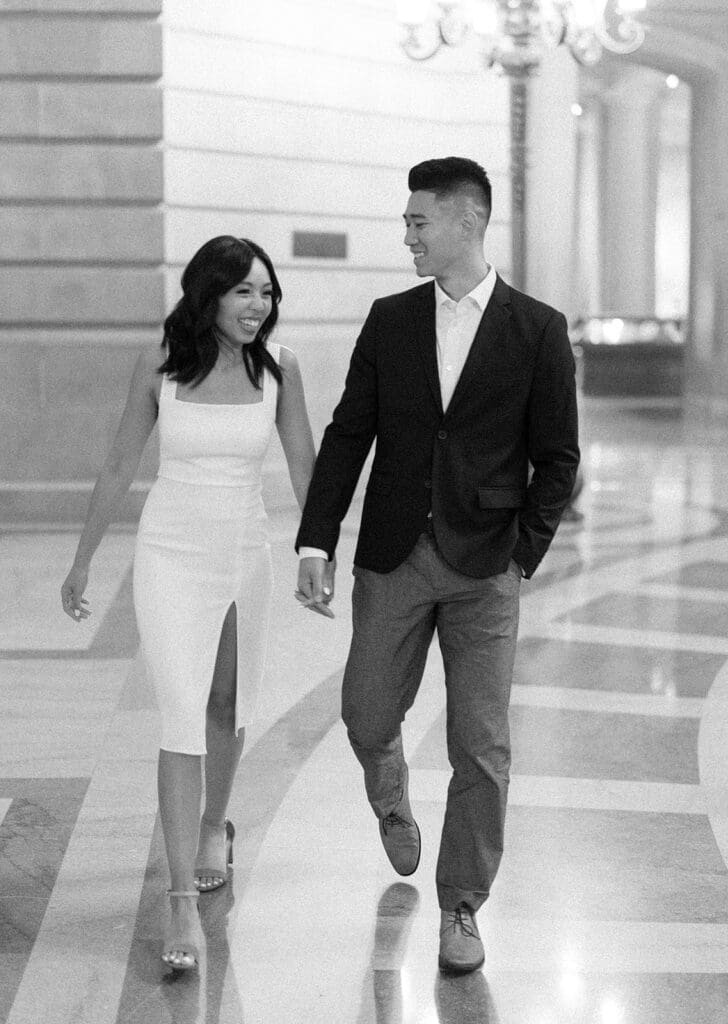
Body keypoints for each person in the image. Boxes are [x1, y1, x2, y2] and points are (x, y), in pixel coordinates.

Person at [295, 158, 579, 973]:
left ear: (466, 222)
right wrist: (316, 540)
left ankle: (462, 905)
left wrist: (522, 554)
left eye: (418, 222)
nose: (408, 237)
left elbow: (558, 457)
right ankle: (391, 799)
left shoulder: (537, 328)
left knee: (481, 744)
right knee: (365, 714)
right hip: (395, 553)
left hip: (486, 562)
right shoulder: (389, 320)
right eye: (408, 223)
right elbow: (349, 433)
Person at [61, 236, 327, 972]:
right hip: (170, 554)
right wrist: (82, 559)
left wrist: (317, 552)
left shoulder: (280, 369)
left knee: (226, 702)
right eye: (244, 291)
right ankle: (180, 900)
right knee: (181, 711)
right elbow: (121, 461)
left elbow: (306, 466)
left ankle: (215, 825)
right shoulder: (158, 365)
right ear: (208, 295)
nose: (258, 305)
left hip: (244, 551)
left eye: (266, 292)